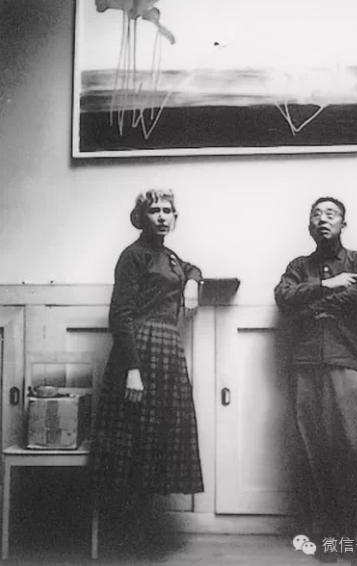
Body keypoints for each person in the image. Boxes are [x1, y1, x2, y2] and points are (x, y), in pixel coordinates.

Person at [91, 188, 204, 557]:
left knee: (158, 441)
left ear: (175, 217)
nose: (161, 216)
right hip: (140, 350)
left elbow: (191, 268)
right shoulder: (133, 255)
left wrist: (192, 282)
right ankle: (129, 538)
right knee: (136, 442)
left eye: (168, 210)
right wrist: (133, 369)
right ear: (142, 216)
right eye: (154, 210)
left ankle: (144, 532)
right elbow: (119, 316)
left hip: (168, 352)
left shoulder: (169, 256)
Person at [274, 197, 357, 564]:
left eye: (331, 214)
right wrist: (327, 284)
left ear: (343, 224)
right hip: (305, 364)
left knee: (350, 447)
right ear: (309, 226)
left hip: (345, 359)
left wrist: (310, 307)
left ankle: (350, 537)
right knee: (311, 449)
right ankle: (324, 536)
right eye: (316, 214)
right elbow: (283, 297)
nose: (323, 219)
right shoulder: (297, 266)